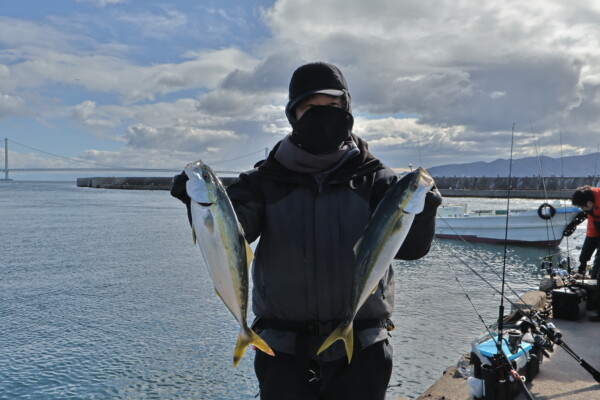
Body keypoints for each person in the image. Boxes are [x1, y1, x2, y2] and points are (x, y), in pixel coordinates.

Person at [171, 61, 441, 399]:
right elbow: (230, 235)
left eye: (332, 106)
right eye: (311, 107)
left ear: (347, 109)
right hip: (283, 352)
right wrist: (195, 202)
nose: (323, 115)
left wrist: (425, 212)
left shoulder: (377, 180)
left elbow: (411, 249)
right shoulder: (262, 182)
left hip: (363, 347)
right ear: (293, 115)